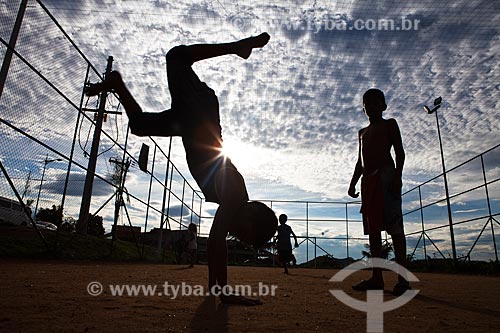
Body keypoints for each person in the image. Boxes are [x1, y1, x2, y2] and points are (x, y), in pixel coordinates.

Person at [85, 33, 277, 305]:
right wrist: (222, 292)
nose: (239, 235)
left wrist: (216, 289)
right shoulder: (235, 195)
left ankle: (117, 84)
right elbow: (216, 240)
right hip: (200, 116)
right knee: (176, 56)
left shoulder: (233, 199)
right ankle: (237, 47)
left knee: (139, 125)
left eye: (243, 239)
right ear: (252, 213)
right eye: (245, 232)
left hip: (190, 125)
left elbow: (218, 239)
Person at [348, 88, 410, 296]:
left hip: (386, 177)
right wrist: (353, 183)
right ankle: (377, 277)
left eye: (376, 102)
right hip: (368, 182)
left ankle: (403, 279)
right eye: (367, 102)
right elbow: (360, 161)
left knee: (395, 229)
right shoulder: (362, 133)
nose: (372, 105)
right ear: (363, 108)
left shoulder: (389, 124)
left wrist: (397, 176)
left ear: (384, 106)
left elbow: (399, 153)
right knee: (373, 232)